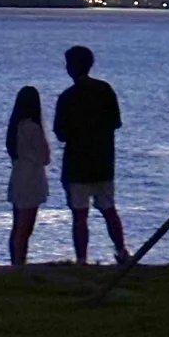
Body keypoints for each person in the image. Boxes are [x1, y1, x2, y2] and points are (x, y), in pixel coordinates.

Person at [53, 46, 129, 265]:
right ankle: (121, 251)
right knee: (109, 210)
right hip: (103, 161)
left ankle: (82, 259)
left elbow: (60, 133)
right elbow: (116, 122)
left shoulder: (68, 97)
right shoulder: (105, 90)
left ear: (71, 67)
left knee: (79, 215)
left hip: (77, 164)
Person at [5, 86, 50, 265]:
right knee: (25, 227)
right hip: (31, 178)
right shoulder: (33, 128)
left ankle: (15, 261)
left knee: (17, 226)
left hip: (18, 176)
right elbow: (45, 157)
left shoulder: (15, 128)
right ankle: (19, 262)